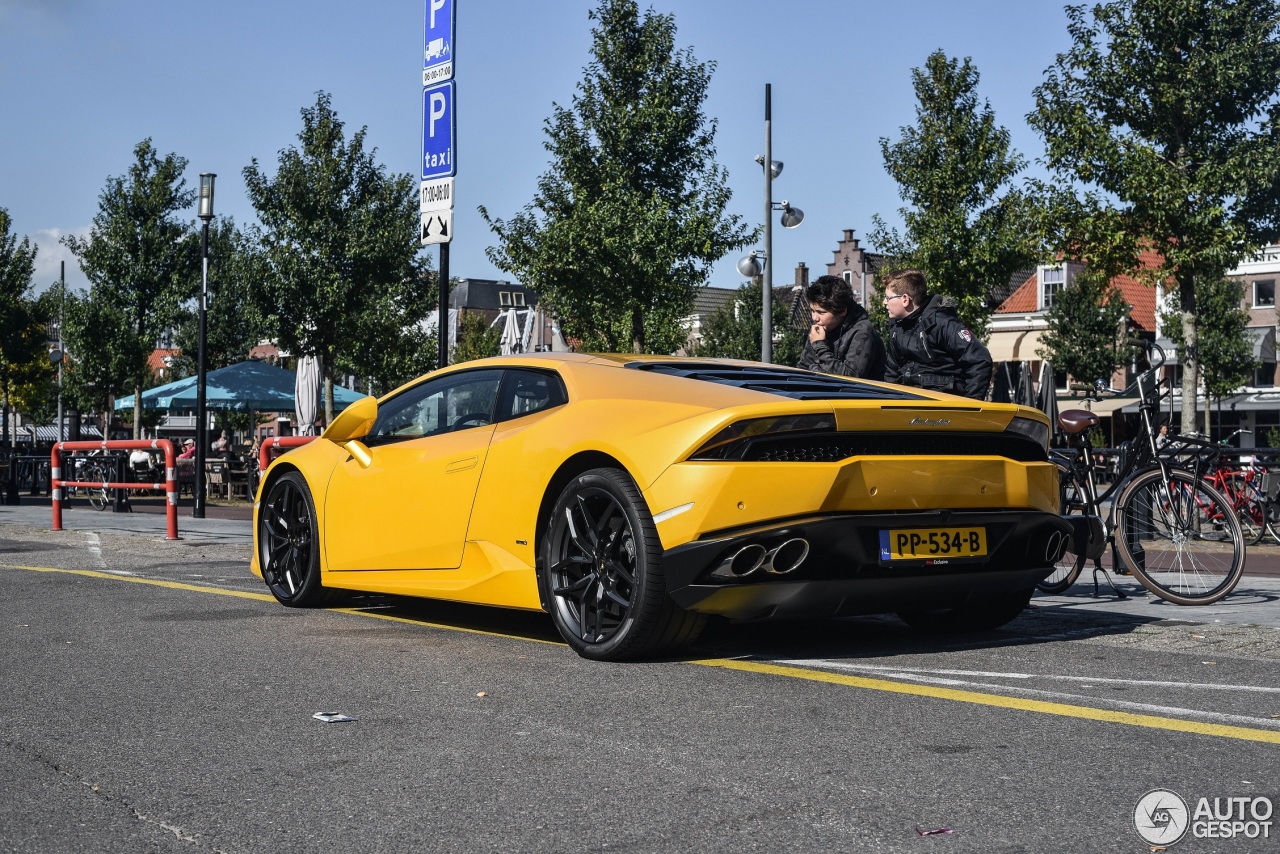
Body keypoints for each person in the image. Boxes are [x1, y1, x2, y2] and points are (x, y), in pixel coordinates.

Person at [882, 269, 992, 400]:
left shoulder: (942, 323)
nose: (884, 302)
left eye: (888, 298)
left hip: (944, 406)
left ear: (905, 299)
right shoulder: (897, 330)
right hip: (909, 404)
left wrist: (971, 405)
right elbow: (891, 375)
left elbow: (980, 359)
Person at [796, 275, 886, 380]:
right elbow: (803, 369)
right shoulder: (820, 329)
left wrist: (820, 347)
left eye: (821, 312)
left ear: (842, 311)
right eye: (812, 310)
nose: (815, 318)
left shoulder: (863, 332)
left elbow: (850, 378)